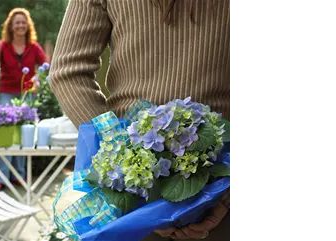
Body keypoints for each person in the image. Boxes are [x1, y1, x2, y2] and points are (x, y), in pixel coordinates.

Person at [49, 0, 229, 240]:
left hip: (136, 194)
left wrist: (123, 161)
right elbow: (68, 71)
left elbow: (67, 71)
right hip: (219, 176)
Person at [0, 8, 49, 192]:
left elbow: (46, 64)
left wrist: (37, 80)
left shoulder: (33, 47)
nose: (20, 25)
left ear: (27, 25)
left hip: (26, 95)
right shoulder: (3, 45)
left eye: (23, 22)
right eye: (17, 23)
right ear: (11, 26)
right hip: (7, 93)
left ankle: (19, 176)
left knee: (24, 135)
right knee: (5, 135)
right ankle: (0, 177)